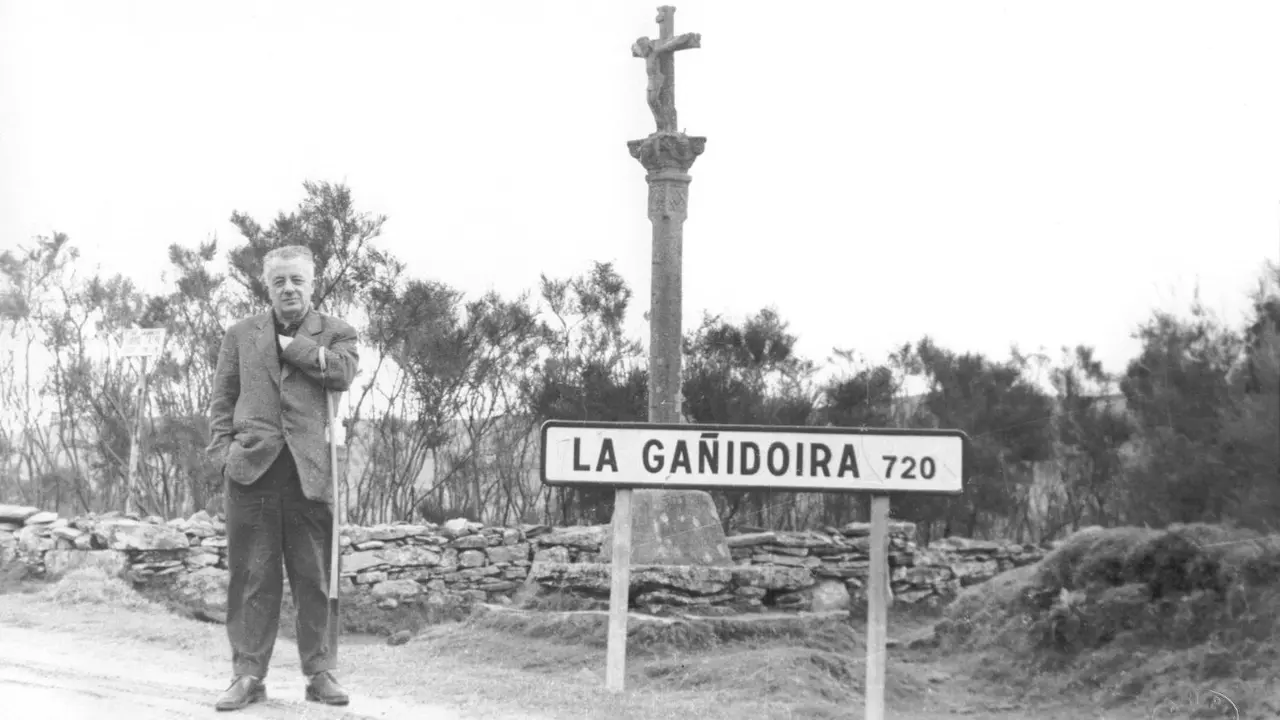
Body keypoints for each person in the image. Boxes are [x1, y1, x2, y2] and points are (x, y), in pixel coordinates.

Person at [206, 244, 359, 711]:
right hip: (251, 472)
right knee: (252, 576)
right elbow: (221, 400)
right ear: (266, 286)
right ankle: (248, 675)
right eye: (279, 281)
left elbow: (343, 373)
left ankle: (320, 673)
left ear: (312, 283)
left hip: (312, 473)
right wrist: (224, 455)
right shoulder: (240, 334)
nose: (288, 288)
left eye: (297, 280)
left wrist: (294, 348)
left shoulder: (337, 332)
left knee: (315, 577)